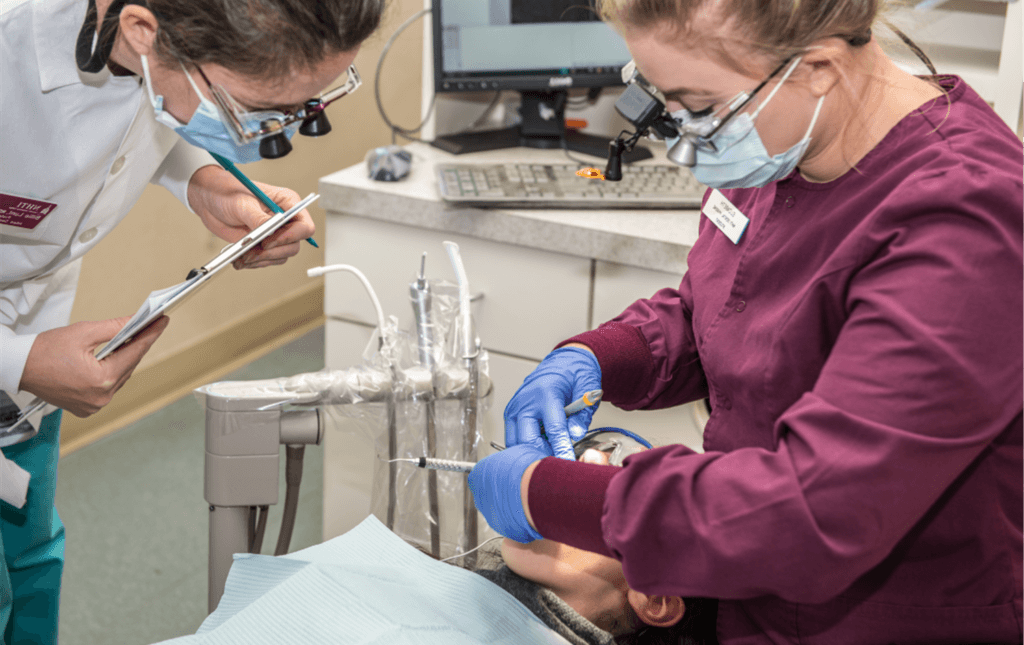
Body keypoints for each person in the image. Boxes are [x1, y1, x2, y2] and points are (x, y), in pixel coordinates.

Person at [467, 0, 1024, 641]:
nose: (683, 139)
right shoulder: (780, 138)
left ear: (816, 67)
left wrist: (551, 494)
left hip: (884, 615)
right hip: (750, 591)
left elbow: (818, 511)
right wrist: (602, 356)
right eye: (659, 98)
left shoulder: (963, 218)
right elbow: (730, 307)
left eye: (697, 108)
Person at [0, 0, 383, 640]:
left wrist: (205, 182)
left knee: (31, 567)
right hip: (31, 362)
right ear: (143, 30)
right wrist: (18, 361)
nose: (273, 133)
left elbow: (140, 115)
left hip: (34, 379)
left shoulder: (146, 53)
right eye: (249, 110)